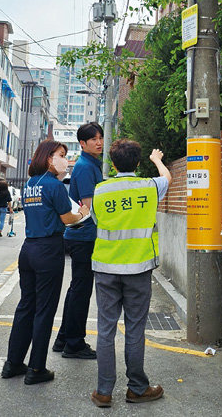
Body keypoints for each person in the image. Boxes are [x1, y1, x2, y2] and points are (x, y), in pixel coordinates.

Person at [90, 140, 171, 408]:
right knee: (135, 329)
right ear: (138, 163)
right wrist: (157, 159)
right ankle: (137, 388)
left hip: (105, 269)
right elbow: (167, 178)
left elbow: (96, 220)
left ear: (112, 164)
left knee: (105, 330)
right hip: (138, 269)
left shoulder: (101, 190)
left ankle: (103, 391)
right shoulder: (149, 187)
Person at [2, 140, 90, 385]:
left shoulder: (30, 184)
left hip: (28, 249)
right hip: (49, 249)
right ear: (49, 158)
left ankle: (13, 363)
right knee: (45, 309)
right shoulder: (54, 186)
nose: (65, 159)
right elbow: (67, 218)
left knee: (26, 306)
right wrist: (83, 213)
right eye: (62, 155)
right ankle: (37, 369)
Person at [53, 122, 104, 359]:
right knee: (81, 291)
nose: (99, 142)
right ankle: (74, 343)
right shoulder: (85, 166)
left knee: (77, 289)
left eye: (100, 138)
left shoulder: (91, 163)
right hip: (83, 236)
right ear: (82, 143)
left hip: (81, 236)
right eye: (93, 139)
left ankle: (64, 337)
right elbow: (89, 206)